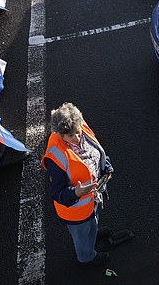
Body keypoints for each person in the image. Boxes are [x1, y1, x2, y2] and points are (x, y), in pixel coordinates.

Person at [42, 103, 116, 267]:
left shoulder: (82, 128)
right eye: (70, 136)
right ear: (59, 134)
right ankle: (87, 256)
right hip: (77, 210)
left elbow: (98, 151)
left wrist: (107, 168)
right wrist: (76, 192)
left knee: (93, 222)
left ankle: (94, 234)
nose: (77, 137)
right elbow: (57, 194)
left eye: (77, 132)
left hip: (93, 198)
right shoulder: (56, 156)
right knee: (82, 236)